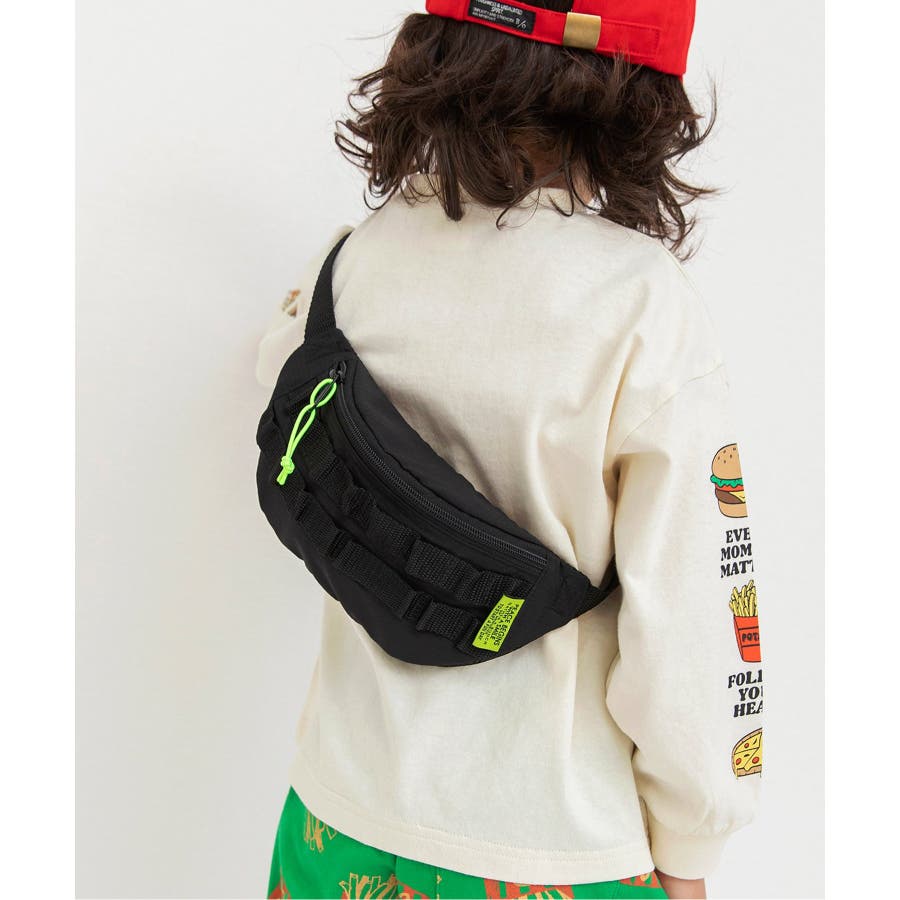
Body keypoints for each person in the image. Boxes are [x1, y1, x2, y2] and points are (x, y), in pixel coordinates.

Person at [255, 2, 764, 898]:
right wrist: (693, 848)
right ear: (637, 94)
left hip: (334, 818)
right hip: (552, 850)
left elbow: (281, 401)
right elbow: (693, 627)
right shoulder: (640, 306)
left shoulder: (351, 263)